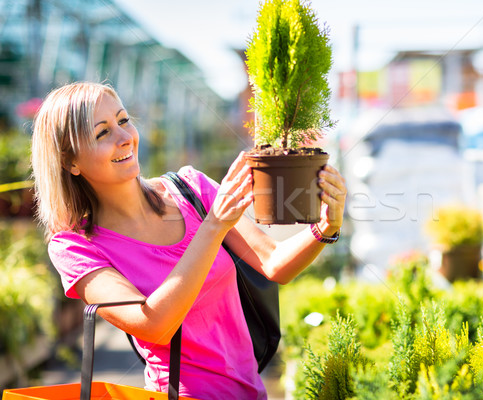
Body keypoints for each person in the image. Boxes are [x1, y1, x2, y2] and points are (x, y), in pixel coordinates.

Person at [31, 81, 347, 399]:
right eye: (102, 133)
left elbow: (274, 263)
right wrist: (213, 227)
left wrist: (325, 227)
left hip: (250, 391)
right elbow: (154, 325)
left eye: (123, 120)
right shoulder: (75, 246)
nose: (125, 138)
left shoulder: (190, 189)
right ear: (70, 162)